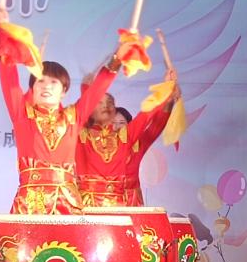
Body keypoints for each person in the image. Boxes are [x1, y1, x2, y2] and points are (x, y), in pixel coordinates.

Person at [0, 6, 130, 214]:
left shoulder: (73, 117)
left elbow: (98, 88)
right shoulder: (23, 114)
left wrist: (118, 57)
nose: (46, 86)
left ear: (64, 91)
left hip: (67, 203)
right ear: (33, 89)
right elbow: (9, 79)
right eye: (40, 81)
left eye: (54, 82)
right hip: (30, 204)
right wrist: (4, 35)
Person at [76, 70, 178, 208]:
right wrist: (88, 89)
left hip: (124, 203)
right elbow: (81, 111)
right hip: (88, 205)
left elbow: (148, 115)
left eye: (109, 105)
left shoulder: (128, 138)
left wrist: (167, 93)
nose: (105, 107)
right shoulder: (81, 135)